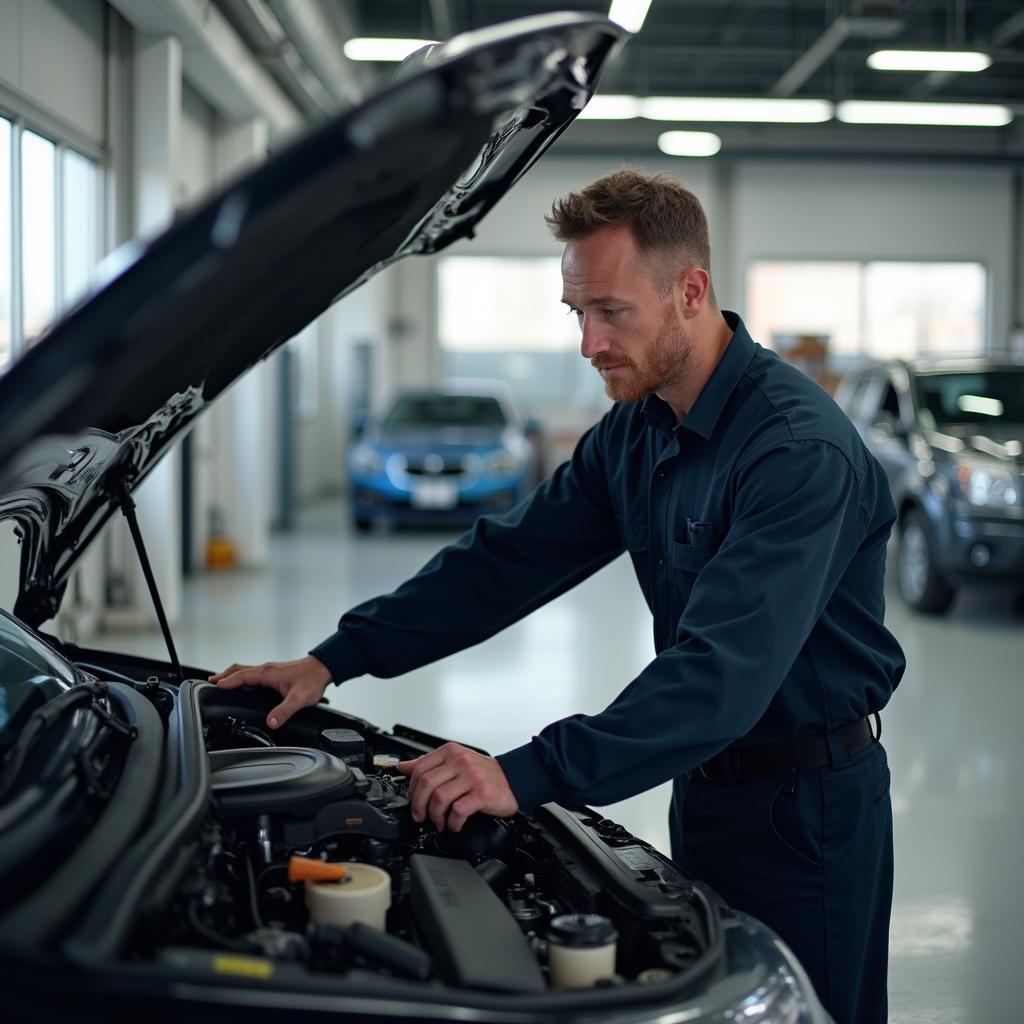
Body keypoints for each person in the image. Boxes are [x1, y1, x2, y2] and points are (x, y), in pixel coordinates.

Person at [212, 169, 904, 1024]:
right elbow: (507, 561)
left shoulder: (796, 452)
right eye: (577, 313)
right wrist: (332, 660)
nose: (588, 343)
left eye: (612, 311)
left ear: (691, 293)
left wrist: (525, 772)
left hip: (809, 815)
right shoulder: (637, 429)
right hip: (707, 790)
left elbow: (721, 673)